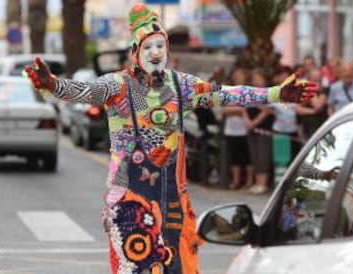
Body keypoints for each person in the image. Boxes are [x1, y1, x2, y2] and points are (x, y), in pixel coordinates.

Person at [24, 3, 317, 273]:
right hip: (130, 200)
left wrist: (277, 94)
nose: (155, 53)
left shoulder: (182, 85)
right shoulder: (117, 85)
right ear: (134, 51)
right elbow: (83, 91)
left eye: (160, 45)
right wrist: (52, 84)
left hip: (173, 201)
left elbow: (226, 94)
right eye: (148, 46)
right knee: (138, 266)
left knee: (175, 267)